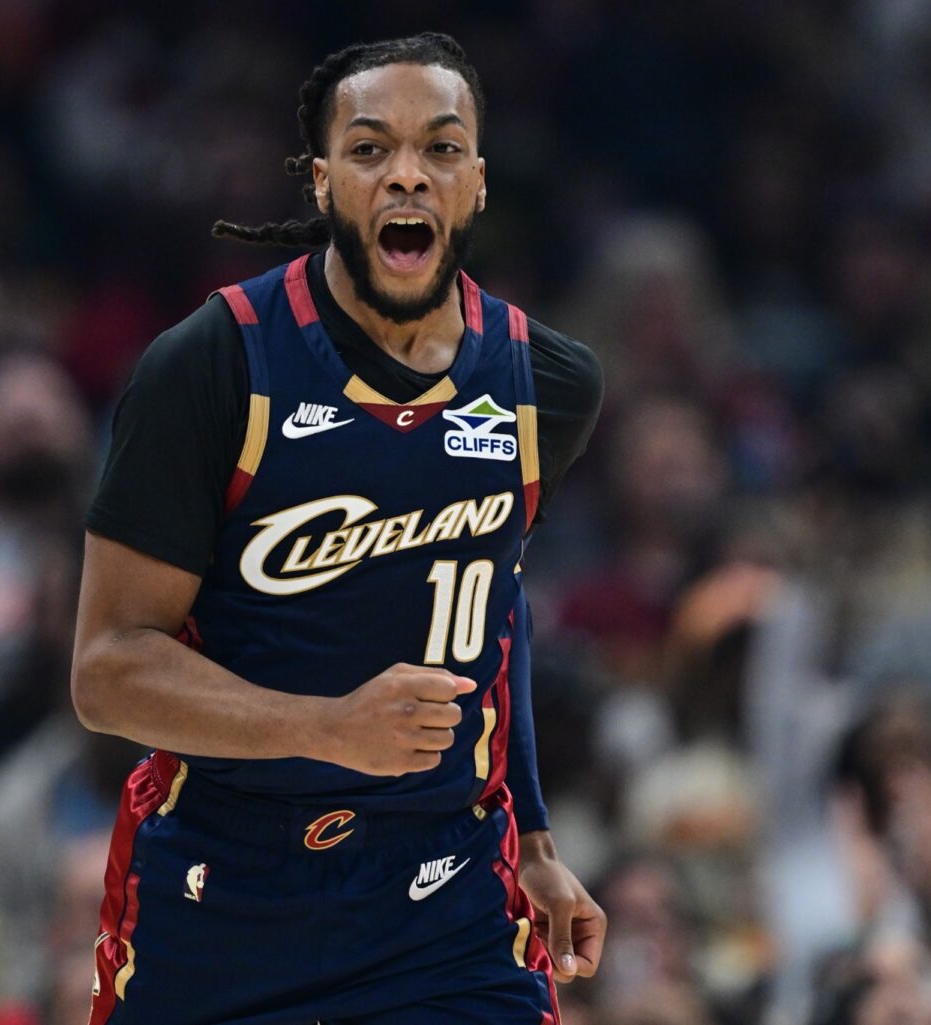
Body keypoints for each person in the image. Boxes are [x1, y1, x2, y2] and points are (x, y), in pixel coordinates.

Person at [69, 33, 606, 1025]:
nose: (407, 172)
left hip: (445, 898)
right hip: (223, 888)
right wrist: (326, 725)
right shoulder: (212, 365)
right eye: (370, 149)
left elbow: (495, 603)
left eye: (441, 148)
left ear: (478, 181)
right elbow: (107, 669)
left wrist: (532, 839)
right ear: (322, 182)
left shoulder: (549, 386)